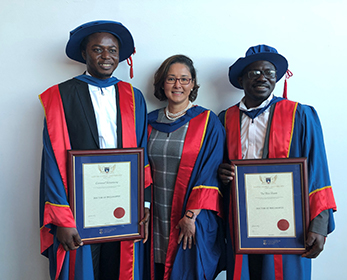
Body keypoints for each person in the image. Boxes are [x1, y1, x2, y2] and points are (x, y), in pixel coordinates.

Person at [39, 20, 152, 280]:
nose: (106, 56)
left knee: (120, 267)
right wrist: (61, 219)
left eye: (112, 50)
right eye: (97, 49)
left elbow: (142, 154)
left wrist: (143, 201)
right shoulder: (60, 96)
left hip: (123, 206)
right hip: (78, 209)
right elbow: (53, 161)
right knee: (82, 269)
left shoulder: (133, 97)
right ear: (84, 53)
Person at [218, 44, 337, 280]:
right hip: (241, 221)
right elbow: (216, 167)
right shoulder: (225, 118)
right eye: (255, 73)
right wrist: (221, 174)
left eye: (269, 73)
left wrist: (319, 225)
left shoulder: (299, 115)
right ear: (242, 79)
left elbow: (318, 169)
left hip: (289, 222)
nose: (263, 78)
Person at [146, 55, 225, 279]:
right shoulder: (148, 121)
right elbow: (140, 167)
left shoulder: (208, 122)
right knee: (155, 267)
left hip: (190, 216)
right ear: (162, 83)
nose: (177, 85)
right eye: (171, 79)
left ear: (192, 84)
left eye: (184, 79)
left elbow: (210, 173)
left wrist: (191, 216)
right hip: (155, 213)